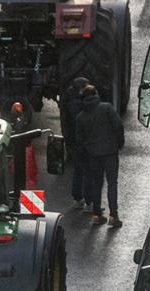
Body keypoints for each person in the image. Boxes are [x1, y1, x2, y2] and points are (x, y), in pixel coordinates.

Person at [74, 85, 125, 228]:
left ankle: (97, 215)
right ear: (96, 94)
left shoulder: (80, 117)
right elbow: (118, 125)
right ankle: (113, 216)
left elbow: (79, 140)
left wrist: (86, 153)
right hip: (110, 152)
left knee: (97, 183)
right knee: (112, 183)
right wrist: (119, 143)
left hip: (93, 155)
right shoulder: (107, 108)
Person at [59, 77, 90, 209]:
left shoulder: (69, 99)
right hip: (79, 142)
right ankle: (85, 199)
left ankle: (79, 198)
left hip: (74, 140)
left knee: (79, 169)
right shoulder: (76, 104)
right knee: (85, 170)